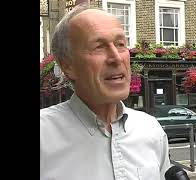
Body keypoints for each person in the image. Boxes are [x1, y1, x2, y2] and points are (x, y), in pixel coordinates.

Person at [40, 3, 171, 180]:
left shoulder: (150, 129)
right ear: (67, 65)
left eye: (120, 44)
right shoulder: (44, 135)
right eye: (98, 47)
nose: (116, 58)